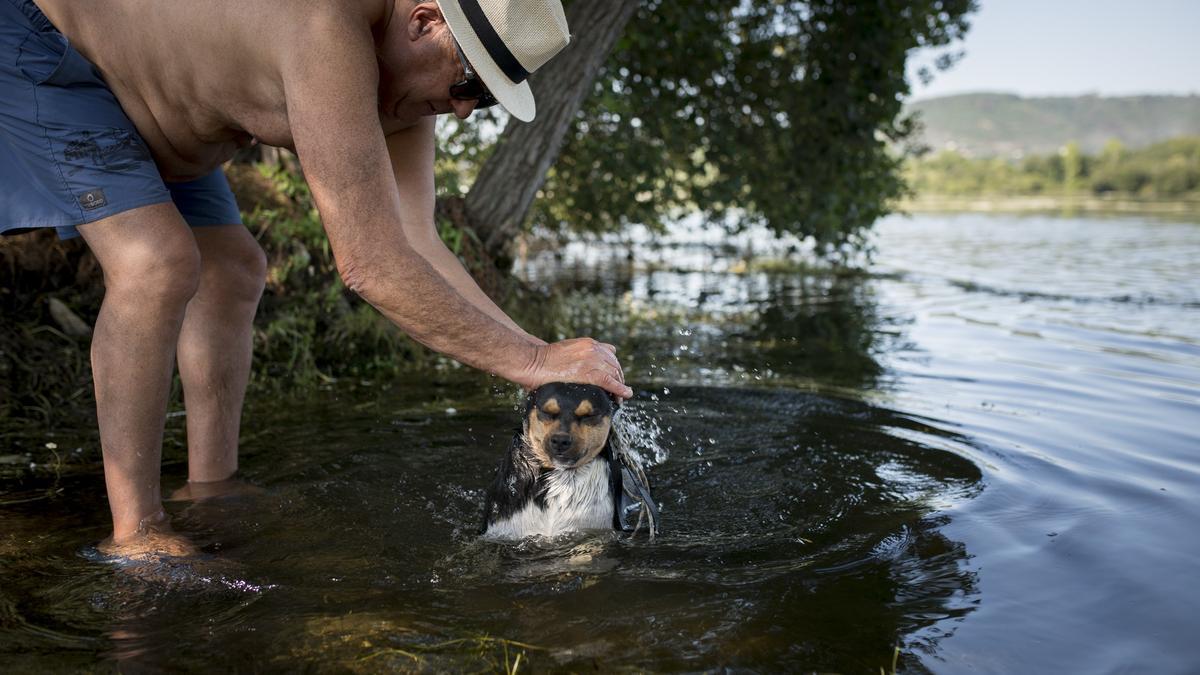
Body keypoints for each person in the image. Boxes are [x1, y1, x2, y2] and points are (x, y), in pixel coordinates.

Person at [0, 0, 632, 560]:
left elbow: (417, 242)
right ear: (424, 21)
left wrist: (546, 364)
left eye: (486, 98)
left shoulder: (407, 97)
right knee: (157, 263)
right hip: (50, 45)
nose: (466, 110)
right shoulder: (328, 28)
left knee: (234, 267)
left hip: (162, 122)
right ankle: (135, 532)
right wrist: (528, 357)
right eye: (471, 82)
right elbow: (369, 262)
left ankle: (211, 487)